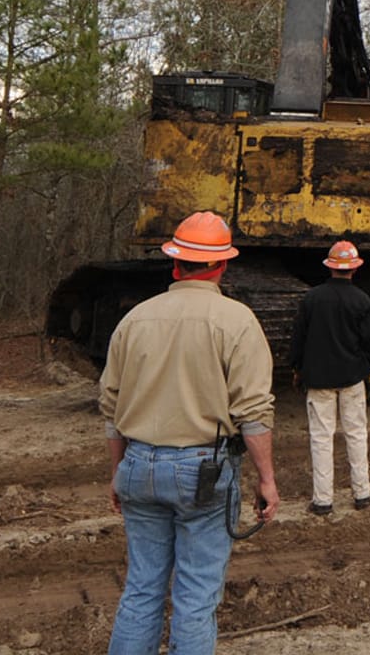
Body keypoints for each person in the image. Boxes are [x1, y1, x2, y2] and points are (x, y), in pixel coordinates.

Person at [99, 211, 278, 655]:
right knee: (195, 598)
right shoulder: (237, 321)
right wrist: (267, 480)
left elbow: (111, 406)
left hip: (138, 465)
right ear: (222, 265)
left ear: (175, 262)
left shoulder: (135, 319)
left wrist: (118, 471)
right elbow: (254, 411)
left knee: (141, 589)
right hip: (202, 470)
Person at [291, 240, 370, 516]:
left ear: (330, 267)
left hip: (318, 380)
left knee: (321, 438)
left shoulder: (312, 299)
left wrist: (297, 369)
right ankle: (362, 494)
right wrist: (367, 369)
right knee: (356, 434)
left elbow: (299, 339)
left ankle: (323, 500)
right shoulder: (362, 300)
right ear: (355, 268)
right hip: (352, 378)